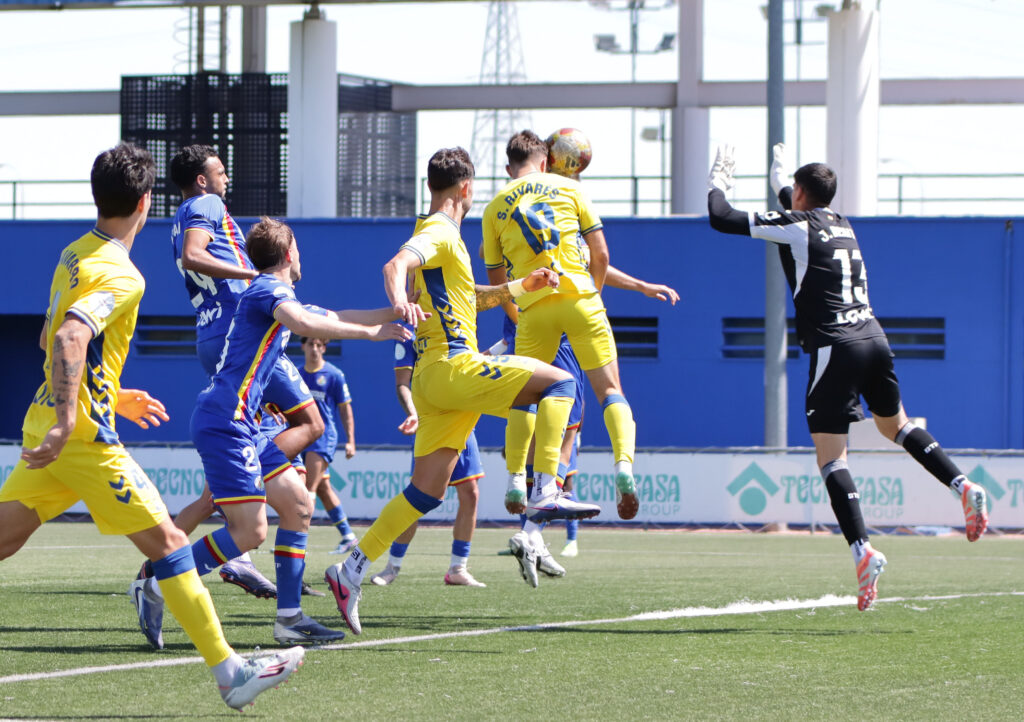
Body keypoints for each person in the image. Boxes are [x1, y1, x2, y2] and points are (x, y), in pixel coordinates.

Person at [0, 144, 303, 709]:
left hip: (49, 423)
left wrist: (110, 395)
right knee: (168, 544)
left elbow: (48, 339)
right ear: (145, 203)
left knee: (4, 538)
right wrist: (74, 421)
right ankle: (232, 674)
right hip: (83, 439)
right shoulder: (123, 274)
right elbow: (68, 340)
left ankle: (230, 671)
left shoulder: (74, 254)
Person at [325, 147, 600, 635]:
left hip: (434, 383)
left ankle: (351, 569)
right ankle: (545, 489)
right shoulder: (438, 230)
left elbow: (470, 299)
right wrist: (399, 304)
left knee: (427, 491)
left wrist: (521, 288)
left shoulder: (440, 237)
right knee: (559, 380)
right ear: (467, 190)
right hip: (454, 367)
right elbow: (394, 268)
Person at [706, 142, 989, 611]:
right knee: (895, 426)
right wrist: (781, 175)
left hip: (834, 346)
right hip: (875, 338)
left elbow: (722, 217)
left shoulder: (798, 225)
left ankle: (863, 550)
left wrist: (719, 179)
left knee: (831, 458)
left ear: (800, 192)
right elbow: (795, 207)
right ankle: (964, 486)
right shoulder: (841, 224)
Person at [140, 217, 408, 647]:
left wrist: (402, 311)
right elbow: (305, 324)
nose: (301, 255)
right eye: (298, 249)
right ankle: (156, 581)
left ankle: (289, 619)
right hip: (226, 422)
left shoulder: (280, 295)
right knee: (251, 532)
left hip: (246, 426)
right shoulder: (268, 290)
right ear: (287, 255)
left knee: (300, 505)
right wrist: (372, 333)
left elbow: (334, 316)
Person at [169, 144, 324, 598]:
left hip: (218, 333)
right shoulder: (205, 204)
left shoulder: (189, 210)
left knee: (259, 441)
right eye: (219, 170)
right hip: (236, 332)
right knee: (311, 421)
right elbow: (192, 255)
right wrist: (251, 275)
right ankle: (229, 514)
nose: (225, 178)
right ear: (201, 179)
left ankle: (229, 514)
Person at [482, 130, 639, 522]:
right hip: (581, 298)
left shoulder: (493, 207)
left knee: (528, 395)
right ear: (547, 159)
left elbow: (499, 285)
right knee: (609, 391)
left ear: (508, 167)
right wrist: (594, 297)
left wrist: (520, 318)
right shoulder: (570, 189)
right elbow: (600, 254)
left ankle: (520, 479)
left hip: (534, 309)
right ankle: (624, 469)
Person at [369, 318, 487, 588]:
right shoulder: (407, 334)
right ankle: (392, 566)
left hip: (462, 420)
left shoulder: (459, 325)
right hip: (432, 421)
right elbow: (402, 383)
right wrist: (413, 412)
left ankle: (458, 568)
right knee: (419, 497)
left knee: (470, 492)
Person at [296, 332, 359, 555]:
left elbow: (345, 409)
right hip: (301, 437)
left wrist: (350, 440)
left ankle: (297, 540)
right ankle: (348, 536)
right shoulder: (298, 375)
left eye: (319, 344)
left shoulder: (333, 374)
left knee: (307, 488)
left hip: (322, 438)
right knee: (323, 488)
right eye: (310, 343)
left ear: (324, 348)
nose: (314, 348)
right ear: (303, 347)